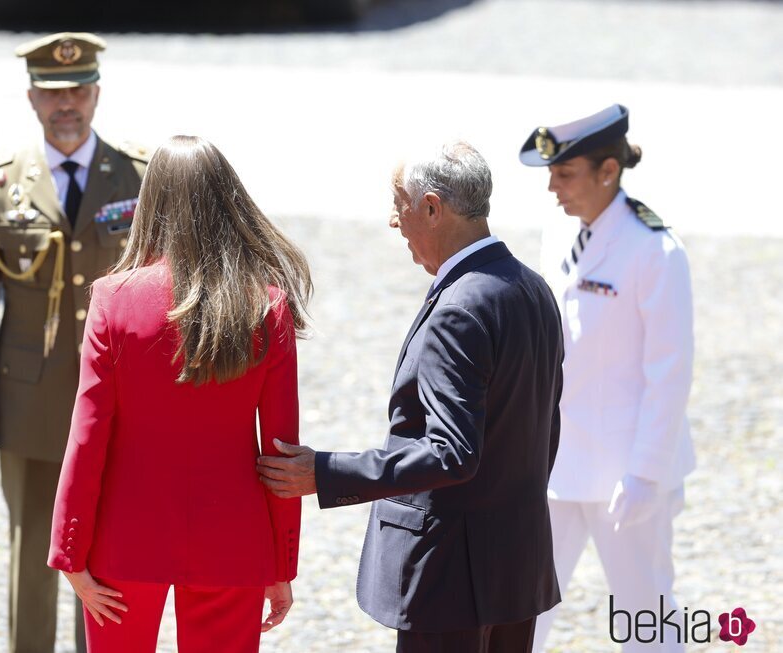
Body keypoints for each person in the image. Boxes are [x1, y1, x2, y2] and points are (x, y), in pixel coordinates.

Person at [257, 141, 564, 652]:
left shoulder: (460, 308)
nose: (392, 220)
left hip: (450, 576)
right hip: (514, 566)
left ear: (431, 207)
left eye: (397, 201)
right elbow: (542, 429)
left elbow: (451, 451)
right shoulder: (531, 287)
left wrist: (326, 472)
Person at [47, 135, 312, 653]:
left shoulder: (112, 300)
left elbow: (88, 436)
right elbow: (280, 452)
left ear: (151, 203)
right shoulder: (268, 307)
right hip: (233, 541)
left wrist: (70, 553)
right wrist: (280, 565)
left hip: (125, 539)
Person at [0, 32, 150, 653]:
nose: (68, 105)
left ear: (96, 93)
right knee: (36, 549)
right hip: (29, 406)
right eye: (54, 93)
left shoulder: (141, 177)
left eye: (79, 91)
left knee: (109, 555)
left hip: (120, 404)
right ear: (32, 97)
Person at [518, 104, 695, 652]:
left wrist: (645, 473)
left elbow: (669, 372)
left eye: (565, 173)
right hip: (557, 464)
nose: (553, 188)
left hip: (626, 472)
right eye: (551, 173)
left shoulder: (655, 251)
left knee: (646, 618)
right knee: (523, 610)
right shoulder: (560, 232)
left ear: (608, 172)